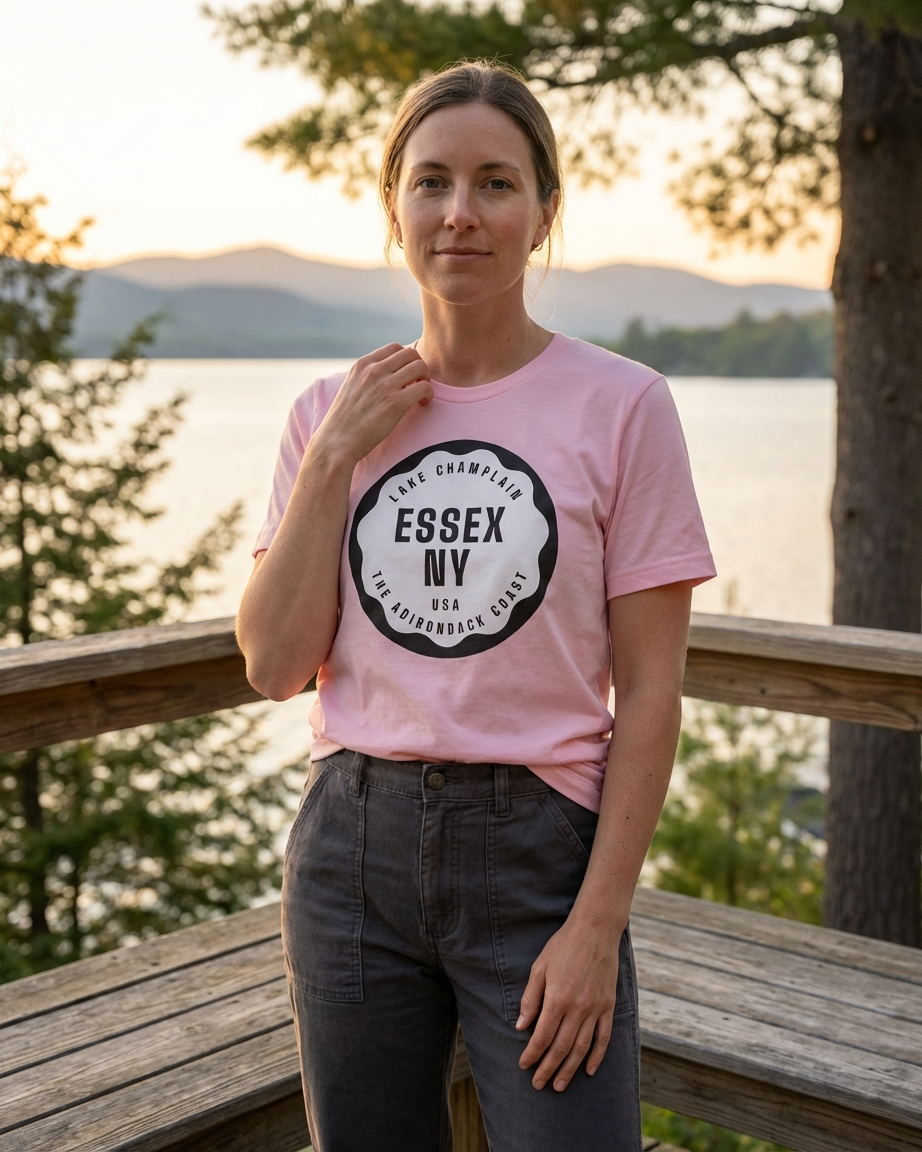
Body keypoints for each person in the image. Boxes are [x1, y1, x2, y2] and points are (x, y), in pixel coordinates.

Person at [237, 60, 715, 1152]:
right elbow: (272, 663)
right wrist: (333, 463)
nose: (461, 213)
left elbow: (648, 690)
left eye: (497, 183)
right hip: (352, 848)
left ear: (544, 211)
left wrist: (596, 927)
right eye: (432, 182)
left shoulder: (623, 405)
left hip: (539, 852)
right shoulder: (328, 410)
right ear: (392, 204)